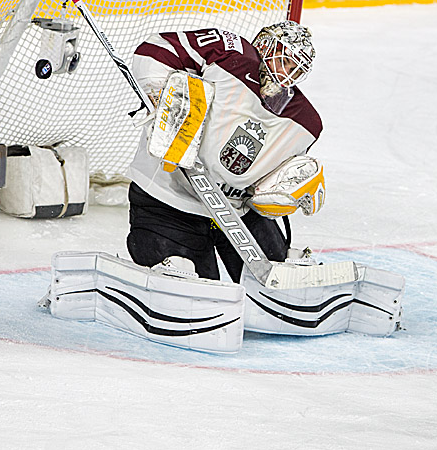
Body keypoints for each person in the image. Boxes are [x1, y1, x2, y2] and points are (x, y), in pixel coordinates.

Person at [125, 20, 324, 282]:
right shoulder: (229, 51)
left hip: (234, 211)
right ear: (264, 45)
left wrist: (288, 191)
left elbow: (269, 183)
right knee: (192, 285)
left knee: (280, 277)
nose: (288, 74)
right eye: (284, 61)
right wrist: (160, 97)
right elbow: (155, 49)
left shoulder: (304, 122)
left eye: (295, 70)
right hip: (167, 199)